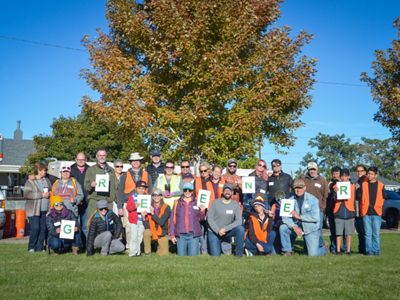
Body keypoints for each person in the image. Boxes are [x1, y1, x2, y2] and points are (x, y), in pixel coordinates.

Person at [280, 179, 326, 256]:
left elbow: (315, 217)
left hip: (311, 228)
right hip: (296, 226)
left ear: (304, 188)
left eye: (300, 187)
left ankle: (322, 249)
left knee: (312, 255)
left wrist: (300, 217)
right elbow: (285, 218)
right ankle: (287, 251)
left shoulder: (313, 199)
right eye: (296, 188)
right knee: (283, 228)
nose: (298, 190)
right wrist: (294, 227)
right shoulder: (289, 200)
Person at [207, 183, 245, 257]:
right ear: (223, 192)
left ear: (232, 193)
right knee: (215, 256)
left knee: (240, 229)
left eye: (229, 190)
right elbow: (210, 218)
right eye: (226, 190)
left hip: (227, 231)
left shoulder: (235, 204)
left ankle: (239, 255)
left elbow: (239, 221)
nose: (227, 192)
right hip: (214, 232)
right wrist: (218, 230)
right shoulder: (215, 203)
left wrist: (225, 229)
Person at [170, 182, 205, 256]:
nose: (187, 192)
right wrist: (172, 235)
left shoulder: (197, 202)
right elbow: (172, 219)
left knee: (193, 260)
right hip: (180, 235)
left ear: (192, 191)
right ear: (183, 190)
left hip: (193, 235)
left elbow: (201, 219)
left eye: (190, 190)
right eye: (185, 190)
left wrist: (202, 211)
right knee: (182, 260)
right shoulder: (177, 202)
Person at [24, 162, 52, 252]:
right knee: (35, 228)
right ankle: (31, 247)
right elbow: (27, 194)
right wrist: (41, 195)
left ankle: (40, 247)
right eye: (44, 170)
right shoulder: (30, 181)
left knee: (43, 229)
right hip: (33, 210)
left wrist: (50, 194)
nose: (45, 172)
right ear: (39, 171)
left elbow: (50, 190)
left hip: (45, 210)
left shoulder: (46, 180)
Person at [359, 166, 385, 256]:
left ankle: (376, 252)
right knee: (367, 234)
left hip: (377, 213)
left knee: (376, 234)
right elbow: (358, 196)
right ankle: (369, 252)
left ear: (376, 175)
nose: (369, 175)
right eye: (368, 173)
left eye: (371, 174)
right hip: (366, 213)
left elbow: (384, 197)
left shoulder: (381, 185)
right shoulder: (363, 184)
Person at [303, 162, 329, 251]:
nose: (312, 171)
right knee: (306, 228)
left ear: (317, 170)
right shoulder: (303, 179)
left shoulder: (322, 180)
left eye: (314, 169)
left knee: (318, 228)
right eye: (310, 169)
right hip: (305, 209)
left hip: (318, 209)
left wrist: (322, 207)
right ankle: (307, 247)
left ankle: (320, 246)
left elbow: (326, 195)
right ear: (308, 170)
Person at [84, 149, 118, 215]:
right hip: (95, 201)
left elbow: (115, 186)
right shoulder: (90, 170)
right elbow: (86, 186)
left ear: (106, 156)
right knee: (92, 223)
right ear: (96, 156)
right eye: (100, 155)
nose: (102, 157)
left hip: (108, 201)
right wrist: (91, 185)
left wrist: (114, 199)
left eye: (103, 155)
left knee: (108, 223)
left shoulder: (111, 170)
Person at [70, 152, 90, 248]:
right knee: (74, 225)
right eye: (79, 159)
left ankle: (86, 246)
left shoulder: (90, 169)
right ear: (75, 159)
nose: (81, 161)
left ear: (85, 160)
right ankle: (74, 245)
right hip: (74, 202)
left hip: (86, 202)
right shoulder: (70, 170)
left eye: (83, 159)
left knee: (85, 226)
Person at [333, 168, 355, 255]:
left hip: (350, 212)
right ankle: (338, 250)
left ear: (349, 177)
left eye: (346, 176)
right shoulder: (336, 186)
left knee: (348, 233)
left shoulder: (353, 186)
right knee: (338, 233)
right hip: (339, 212)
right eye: (342, 176)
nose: (344, 178)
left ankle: (348, 250)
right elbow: (334, 198)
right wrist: (335, 192)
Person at [143, 188, 171, 256]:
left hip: (162, 232)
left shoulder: (167, 207)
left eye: (158, 195)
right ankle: (147, 252)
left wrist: (152, 214)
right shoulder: (148, 206)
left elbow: (161, 222)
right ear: (152, 197)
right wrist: (144, 217)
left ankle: (158, 247)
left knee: (163, 255)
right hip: (152, 230)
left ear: (161, 197)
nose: (156, 197)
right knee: (146, 232)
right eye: (154, 195)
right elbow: (146, 226)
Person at [125, 180, 148, 257]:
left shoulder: (146, 197)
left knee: (139, 237)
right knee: (134, 237)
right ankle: (132, 253)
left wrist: (149, 211)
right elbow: (128, 208)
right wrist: (135, 206)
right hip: (134, 220)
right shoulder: (132, 197)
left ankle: (138, 252)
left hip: (142, 220)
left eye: (143, 188)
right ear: (136, 189)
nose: (141, 190)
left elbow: (147, 209)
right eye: (139, 188)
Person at [326, 166, 345, 253]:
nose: (335, 175)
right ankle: (334, 248)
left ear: (340, 174)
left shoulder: (344, 183)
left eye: (337, 173)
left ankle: (344, 248)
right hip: (331, 210)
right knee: (333, 230)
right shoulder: (330, 183)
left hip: (341, 210)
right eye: (333, 173)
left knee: (343, 230)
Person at [354, 164, 367, 254]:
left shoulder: (366, 181)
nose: (359, 172)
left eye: (361, 171)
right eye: (358, 171)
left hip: (364, 209)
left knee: (364, 231)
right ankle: (361, 249)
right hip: (357, 209)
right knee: (360, 230)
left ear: (365, 172)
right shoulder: (358, 181)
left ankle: (366, 249)